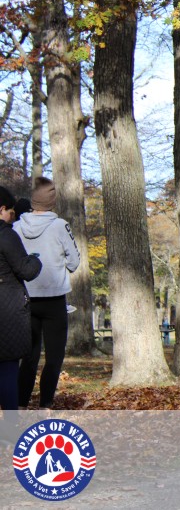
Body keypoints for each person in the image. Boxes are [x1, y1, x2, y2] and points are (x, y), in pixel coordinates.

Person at [14, 177, 80, 410]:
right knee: (54, 357)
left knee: (28, 357)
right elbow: (74, 261)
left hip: (25, 297)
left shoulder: (17, 227)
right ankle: (45, 405)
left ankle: (21, 405)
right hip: (54, 299)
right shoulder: (60, 226)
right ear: (52, 202)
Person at [0, 186, 42, 443]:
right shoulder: (5, 235)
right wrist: (35, 259)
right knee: (6, 369)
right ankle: (10, 427)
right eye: (11, 212)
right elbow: (25, 270)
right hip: (6, 310)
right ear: (1, 209)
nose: (12, 218)